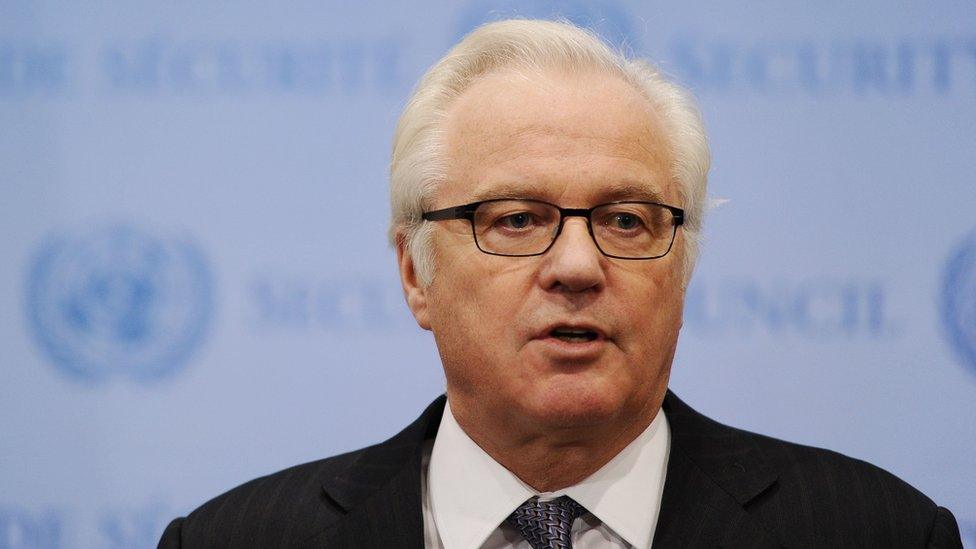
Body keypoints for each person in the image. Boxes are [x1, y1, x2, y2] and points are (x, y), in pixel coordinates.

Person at [158, 19, 962, 548]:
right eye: (514, 219)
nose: (577, 266)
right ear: (415, 273)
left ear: (683, 267)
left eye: (625, 221)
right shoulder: (235, 539)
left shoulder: (877, 531)